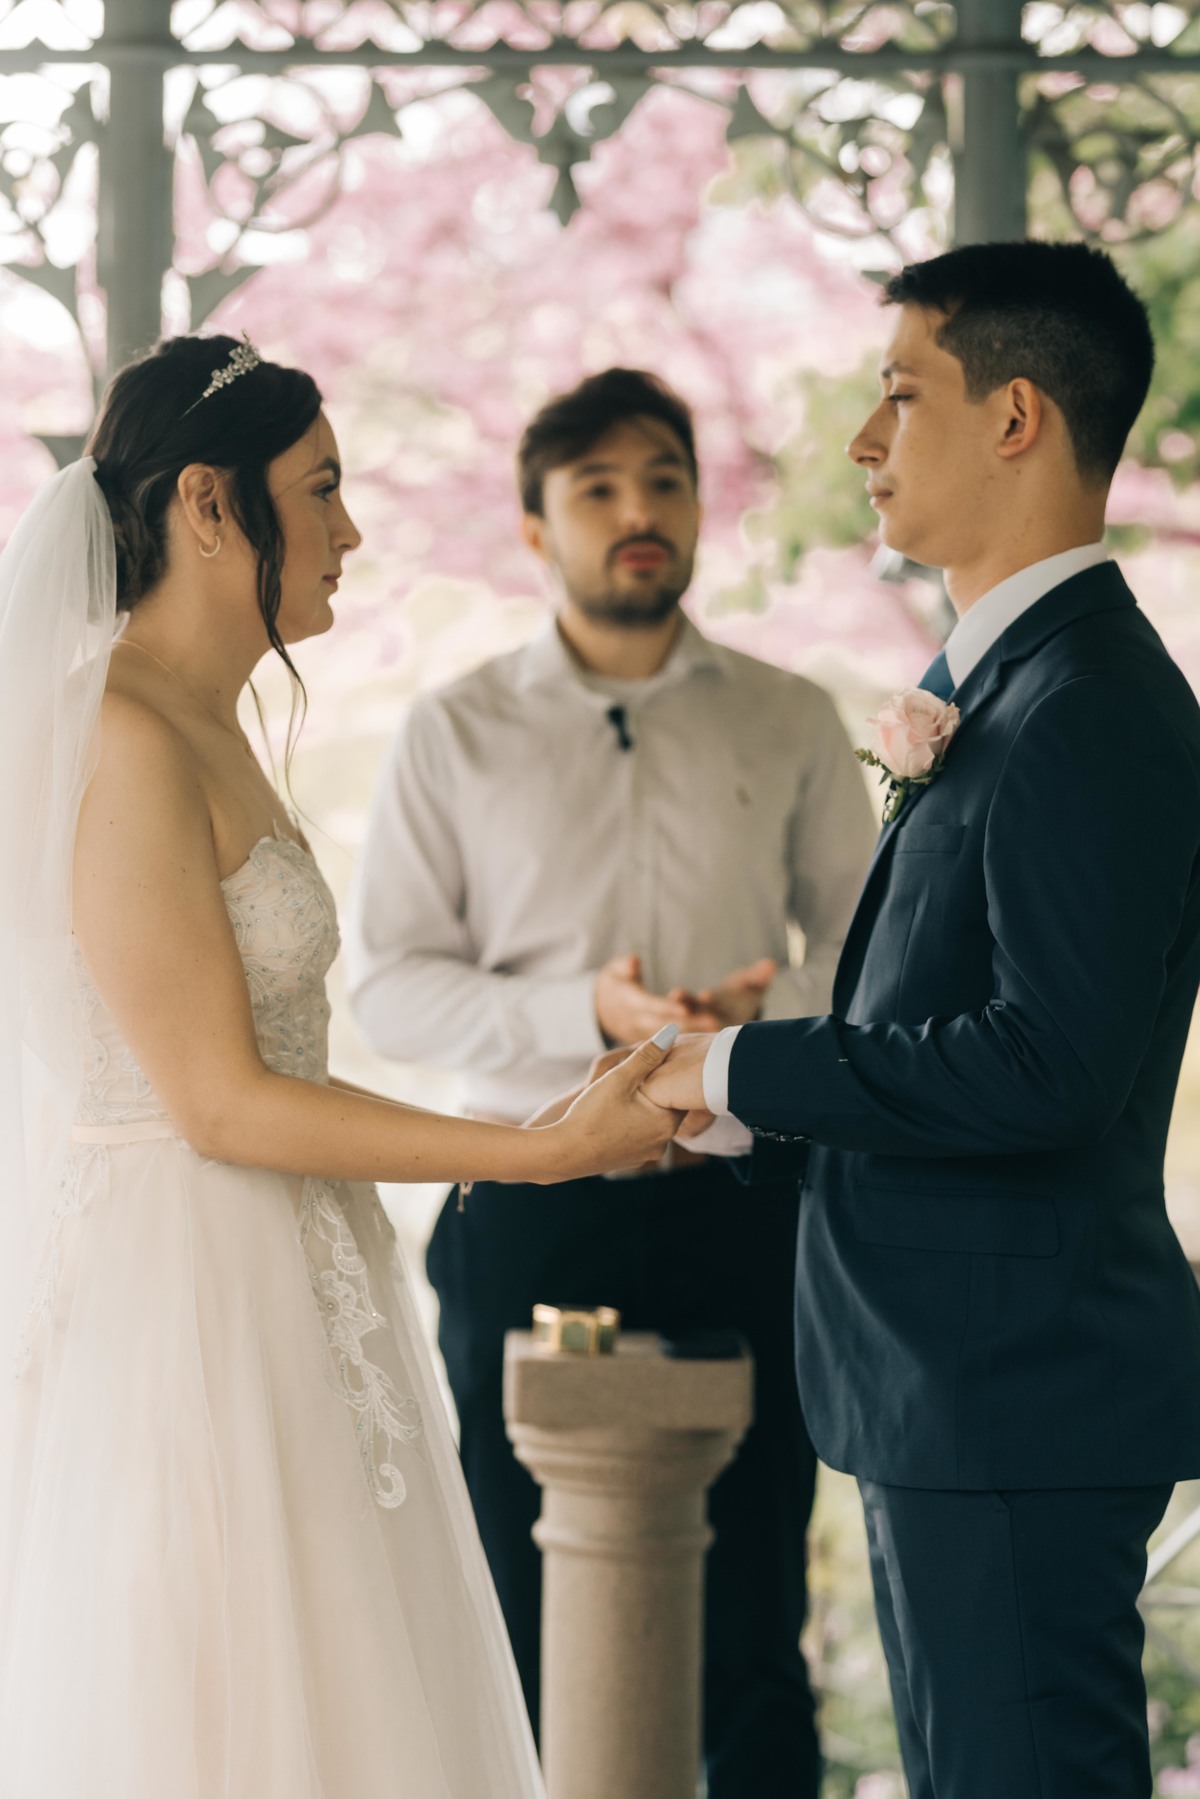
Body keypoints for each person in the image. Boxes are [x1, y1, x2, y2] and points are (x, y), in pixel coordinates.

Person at [0, 335, 683, 1798]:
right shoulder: (122, 735)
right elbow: (220, 1100)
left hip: (301, 1275)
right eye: (320, 489)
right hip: (185, 1306)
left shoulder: (214, 720)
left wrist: (556, 1112)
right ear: (206, 503)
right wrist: (540, 1147)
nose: (353, 531)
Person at [644, 241, 1200, 1799]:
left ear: (1015, 416)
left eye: (900, 394)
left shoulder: (1086, 707)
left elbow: (1052, 1062)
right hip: (957, 1386)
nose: (864, 442)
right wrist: (743, 1102)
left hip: (1014, 1391)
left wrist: (750, 1057)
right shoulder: (1019, 683)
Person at [347, 367, 876, 1798]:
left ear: (701, 507)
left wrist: (731, 1048)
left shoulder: (790, 717)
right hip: (530, 1213)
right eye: (598, 489)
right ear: (536, 530)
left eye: (663, 481)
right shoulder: (454, 730)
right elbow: (387, 980)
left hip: (742, 1210)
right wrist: (582, 1010)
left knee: (758, 1613)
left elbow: (864, 955)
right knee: (514, 1613)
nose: (638, 514)